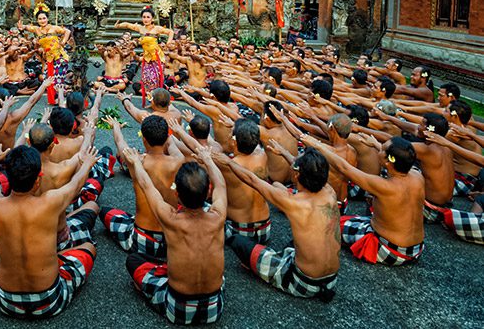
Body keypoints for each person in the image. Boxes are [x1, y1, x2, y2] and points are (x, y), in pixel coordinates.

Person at [0, 143, 98, 318]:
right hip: (50, 300)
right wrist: (88, 163)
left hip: (7, 302)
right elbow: (76, 184)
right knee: (89, 248)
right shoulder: (51, 201)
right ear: (37, 180)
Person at [121, 146, 227, 324]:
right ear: (208, 192)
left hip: (178, 309)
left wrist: (137, 163)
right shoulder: (218, 216)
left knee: (133, 260)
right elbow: (221, 184)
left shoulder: (170, 218)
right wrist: (208, 159)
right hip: (214, 308)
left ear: (176, 193)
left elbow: (147, 185)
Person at [223, 145, 340, 301]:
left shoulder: (293, 202)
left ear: (297, 174)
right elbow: (313, 170)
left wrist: (229, 162)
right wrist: (285, 152)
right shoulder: (330, 192)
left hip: (303, 282)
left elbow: (252, 180)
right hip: (331, 281)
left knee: (238, 242)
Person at [305, 135, 426, 266]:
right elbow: (396, 158)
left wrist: (318, 145)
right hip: (416, 250)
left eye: (382, 149)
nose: (378, 150)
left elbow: (344, 168)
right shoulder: (417, 175)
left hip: (390, 250)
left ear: (388, 161)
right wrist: (375, 144)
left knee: (329, 225)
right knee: (353, 217)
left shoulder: (384, 186)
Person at [101, 115, 183, 260]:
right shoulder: (178, 160)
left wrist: (115, 126)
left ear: (143, 139)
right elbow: (171, 144)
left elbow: (120, 142)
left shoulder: (136, 161)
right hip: (171, 237)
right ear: (165, 137)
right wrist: (164, 130)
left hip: (143, 238)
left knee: (104, 212)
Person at [114, 6, 174, 106]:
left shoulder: (157, 29)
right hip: (146, 58)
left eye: (148, 17)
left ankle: (159, 102)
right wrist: (118, 25)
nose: (145, 19)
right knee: (147, 81)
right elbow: (128, 25)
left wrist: (168, 43)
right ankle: (152, 101)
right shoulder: (140, 28)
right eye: (144, 17)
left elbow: (170, 32)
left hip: (157, 58)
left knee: (155, 80)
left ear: (152, 19)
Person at [17, 3, 71, 105]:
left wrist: (63, 42)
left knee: (58, 79)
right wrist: (22, 26)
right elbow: (26, 27)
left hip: (60, 56)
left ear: (47, 19)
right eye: (40, 19)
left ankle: (60, 100)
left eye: (44, 18)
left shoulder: (54, 28)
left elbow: (67, 31)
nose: (42, 21)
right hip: (49, 58)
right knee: (48, 78)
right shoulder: (37, 30)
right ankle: (54, 99)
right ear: (37, 20)